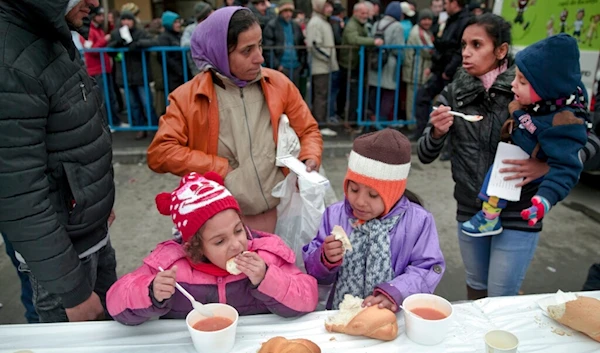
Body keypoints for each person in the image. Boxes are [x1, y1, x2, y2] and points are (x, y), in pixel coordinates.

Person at [417, 14, 599, 299]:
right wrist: (437, 133)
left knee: (502, 296)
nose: (466, 52)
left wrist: (546, 167)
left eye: (476, 45)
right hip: (470, 206)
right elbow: (425, 154)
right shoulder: (453, 92)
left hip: (519, 210)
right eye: (464, 44)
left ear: (501, 50)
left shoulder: (533, 87)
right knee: (475, 288)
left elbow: (587, 143)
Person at [146, 7, 323, 234]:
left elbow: (308, 130)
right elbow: (160, 153)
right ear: (219, 52)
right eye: (247, 50)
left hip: (281, 214)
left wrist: (309, 157)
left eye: (259, 45)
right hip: (223, 225)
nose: (259, 57)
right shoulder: (187, 98)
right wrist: (219, 167)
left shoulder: (279, 84)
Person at [0, 0, 117, 322]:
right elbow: (17, 193)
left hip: (89, 234)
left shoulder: (51, 34)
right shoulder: (10, 58)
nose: (94, 2)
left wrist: (98, 200)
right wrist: (73, 293)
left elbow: (74, 137)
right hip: (63, 266)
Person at [107, 172, 318, 325]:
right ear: (195, 247)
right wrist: (150, 292)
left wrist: (267, 278)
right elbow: (115, 303)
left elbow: (308, 297)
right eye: (219, 241)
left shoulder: (265, 255)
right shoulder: (170, 266)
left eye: (238, 230)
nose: (236, 244)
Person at [460, 33, 589, 237]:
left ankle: (489, 218)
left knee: (501, 171)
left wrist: (544, 200)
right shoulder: (541, 102)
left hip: (526, 197)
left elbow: (566, 167)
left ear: (546, 89)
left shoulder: (564, 123)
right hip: (517, 156)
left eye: (521, 81)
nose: (513, 85)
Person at [303, 129, 445, 311]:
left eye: (373, 195)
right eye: (353, 190)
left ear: (394, 194)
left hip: (392, 315)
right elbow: (315, 271)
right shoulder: (334, 215)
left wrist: (395, 292)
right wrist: (324, 259)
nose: (360, 202)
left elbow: (426, 268)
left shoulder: (418, 221)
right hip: (341, 313)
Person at [410, 0, 470, 141]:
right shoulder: (449, 20)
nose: (445, 6)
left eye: (447, 2)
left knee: (453, 108)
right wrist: (434, 67)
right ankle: (423, 133)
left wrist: (449, 71)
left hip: (452, 72)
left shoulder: (465, 21)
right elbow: (443, 46)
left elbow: (458, 50)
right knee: (422, 97)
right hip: (441, 70)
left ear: (455, 3)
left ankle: (449, 144)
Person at [108, 11, 160, 140]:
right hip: (125, 75)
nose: (126, 22)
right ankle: (140, 128)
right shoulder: (116, 33)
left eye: (129, 19)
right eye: (124, 19)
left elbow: (153, 42)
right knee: (133, 105)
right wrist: (118, 42)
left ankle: (155, 128)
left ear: (133, 21)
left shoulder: (140, 32)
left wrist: (137, 44)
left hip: (140, 74)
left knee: (147, 103)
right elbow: (109, 50)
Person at [337, 2, 384, 123]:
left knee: (355, 92)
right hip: (349, 64)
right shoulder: (352, 25)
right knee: (351, 93)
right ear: (355, 13)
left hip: (356, 64)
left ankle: (353, 118)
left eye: (367, 13)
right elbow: (354, 39)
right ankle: (350, 120)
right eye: (362, 13)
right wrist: (373, 41)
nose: (365, 16)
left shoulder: (361, 24)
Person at [83, 6, 124, 127]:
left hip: (104, 68)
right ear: (93, 17)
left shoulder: (99, 30)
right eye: (99, 15)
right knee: (104, 98)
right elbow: (91, 50)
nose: (102, 18)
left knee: (111, 97)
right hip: (96, 70)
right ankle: (109, 123)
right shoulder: (89, 31)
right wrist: (105, 40)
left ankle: (115, 122)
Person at [306, 0, 339, 137]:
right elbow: (315, 46)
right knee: (321, 95)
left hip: (326, 65)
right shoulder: (315, 23)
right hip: (321, 67)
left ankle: (321, 122)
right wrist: (328, 57)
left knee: (323, 94)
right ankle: (320, 124)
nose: (330, 9)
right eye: (327, 5)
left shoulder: (323, 21)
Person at [367, 2, 404, 122]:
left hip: (375, 62)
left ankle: (373, 118)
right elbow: (398, 48)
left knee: (375, 91)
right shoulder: (397, 26)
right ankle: (382, 121)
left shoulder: (377, 23)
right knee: (388, 92)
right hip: (389, 64)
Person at [263, 0, 307, 89]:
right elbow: (268, 48)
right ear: (280, 11)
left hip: (295, 66)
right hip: (281, 67)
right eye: (285, 11)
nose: (288, 14)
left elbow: (302, 46)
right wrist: (277, 66)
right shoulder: (272, 26)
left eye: (290, 11)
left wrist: (301, 64)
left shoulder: (295, 26)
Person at [402, 9, 434, 121]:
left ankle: (414, 122)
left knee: (414, 97)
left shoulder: (424, 31)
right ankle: (413, 123)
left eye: (429, 19)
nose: (427, 22)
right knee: (413, 98)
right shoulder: (419, 33)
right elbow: (429, 51)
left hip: (417, 70)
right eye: (424, 19)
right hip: (415, 71)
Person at [157, 11, 191, 94]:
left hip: (184, 75)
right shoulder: (163, 38)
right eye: (175, 22)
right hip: (173, 77)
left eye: (179, 22)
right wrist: (180, 71)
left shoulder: (179, 35)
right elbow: (165, 57)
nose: (178, 24)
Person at [181, 2, 214, 76]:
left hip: (216, 68)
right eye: (210, 12)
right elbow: (184, 43)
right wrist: (201, 43)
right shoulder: (191, 29)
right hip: (198, 70)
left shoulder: (215, 26)